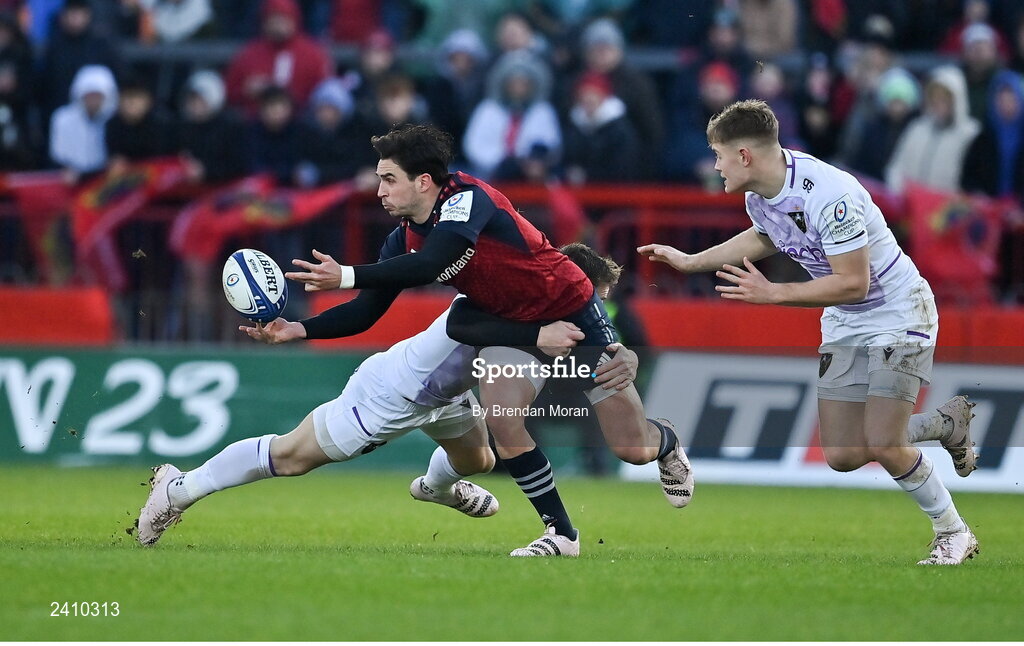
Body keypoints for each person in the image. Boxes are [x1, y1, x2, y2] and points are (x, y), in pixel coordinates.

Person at [283, 124, 693, 557]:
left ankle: (664, 441)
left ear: (423, 181)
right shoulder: (404, 235)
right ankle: (562, 535)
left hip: (570, 310)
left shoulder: (467, 199)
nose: (379, 190)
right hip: (513, 327)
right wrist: (300, 329)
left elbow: (434, 263)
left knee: (632, 448)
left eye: (388, 178)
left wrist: (345, 274)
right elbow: (366, 312)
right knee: (502, 418)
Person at [638, 99, 980, 566]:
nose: (714, 165)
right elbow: (764, 235)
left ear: (745, 156)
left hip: (899, 312)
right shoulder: (759, 194)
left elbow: (855, 282)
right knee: (841, 454)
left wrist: (774, 293)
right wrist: (691, 260)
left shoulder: (828, 195)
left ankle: (953, 532)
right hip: (844, 318)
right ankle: (946, 424)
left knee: (883, 442)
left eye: (718, 154)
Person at [137, 243, 638, 547]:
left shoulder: (533, 306)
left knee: (480, 458)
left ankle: (434, 489)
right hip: (393, 393)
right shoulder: (513, 304)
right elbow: (473, 327)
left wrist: (616, 355)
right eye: (589, 300)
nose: (590, 312)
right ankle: (178, 489)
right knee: (290, 457)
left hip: (446, 393)